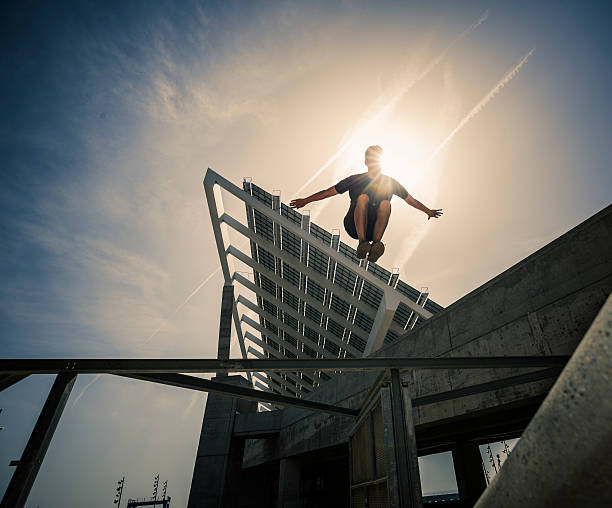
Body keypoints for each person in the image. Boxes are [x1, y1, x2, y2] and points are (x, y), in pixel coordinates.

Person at [290, 145, 442, 263]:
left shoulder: (390, 182)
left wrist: (428, 211)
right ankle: (363, 243)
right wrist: (306, 200)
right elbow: (327, 192)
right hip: (354, 225)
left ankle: (376, 245)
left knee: (385, 204)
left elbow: (411, 200)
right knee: (363, 198)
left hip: (374, 227)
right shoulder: (355, 179)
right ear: (366, 162)